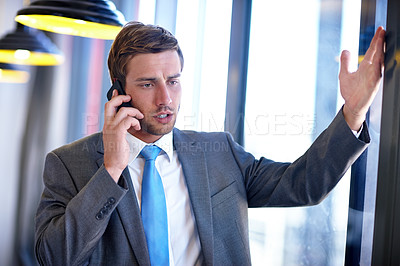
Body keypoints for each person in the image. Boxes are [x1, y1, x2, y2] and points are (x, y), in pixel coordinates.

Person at [34, 21, 385, 265]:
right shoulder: (69, 164)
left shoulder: (220, 154)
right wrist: (111, 168)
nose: (165, 98)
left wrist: (353, 113)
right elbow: (54, 258)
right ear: (118, 90)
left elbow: (303, 185)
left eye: (173, 81)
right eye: (147, 84)